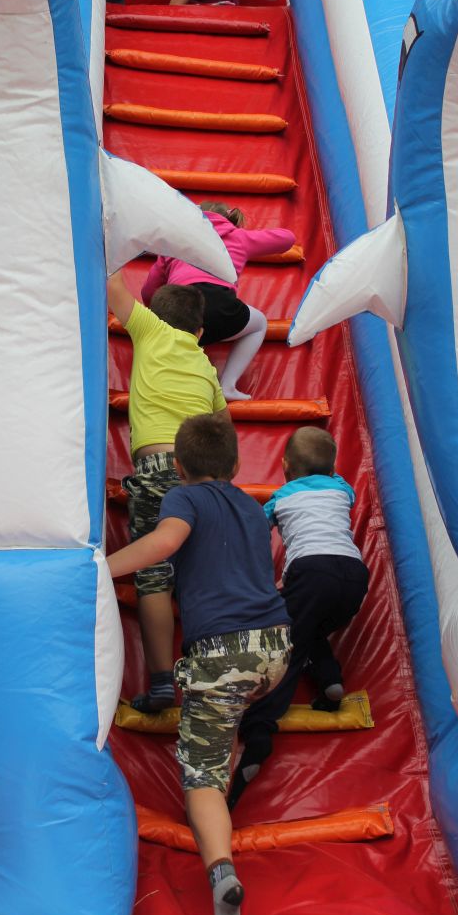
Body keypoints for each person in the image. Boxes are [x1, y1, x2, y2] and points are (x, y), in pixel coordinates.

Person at [107, 414, 290, 915]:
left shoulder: (183, 499)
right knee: (224, 727)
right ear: (236, 463)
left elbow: (164, 543)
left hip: (222, 654)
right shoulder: (251, 508)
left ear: (179, 467)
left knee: (202, 775)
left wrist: (100, 565)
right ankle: (235, 762)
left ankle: (221, 872)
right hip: (276, 647)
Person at [227, 426, 369, 810]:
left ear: (285, 466)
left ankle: (259, 731)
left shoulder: (280, 498)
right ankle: (330, 680)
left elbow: (257, 530)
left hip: (311, 572)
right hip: (355, 576)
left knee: (286, 645)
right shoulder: (342, 489)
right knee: (309, 629)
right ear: (332, 469)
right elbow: (339, 487)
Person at [107, 270, 230, 714]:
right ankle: (211, 673)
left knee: (153, 575)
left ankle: (161, 680)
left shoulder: (151, 329)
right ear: (200, 332)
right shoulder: (205, 365)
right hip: (204, 476)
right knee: (202, 573)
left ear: (155, 316)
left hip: (158, 465)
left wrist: (113, 246)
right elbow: (224, 429)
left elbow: (114, 288)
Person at [141, 203, 295, 401]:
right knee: (259, 324)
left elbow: (148, 291)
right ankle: (228, 385)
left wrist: (156, 318)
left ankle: (166, 381)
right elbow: (287, 239)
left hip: (178, 308)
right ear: (228, 217)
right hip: (219, 309)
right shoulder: (238, 237)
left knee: (175, 331)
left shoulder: (176, 240)